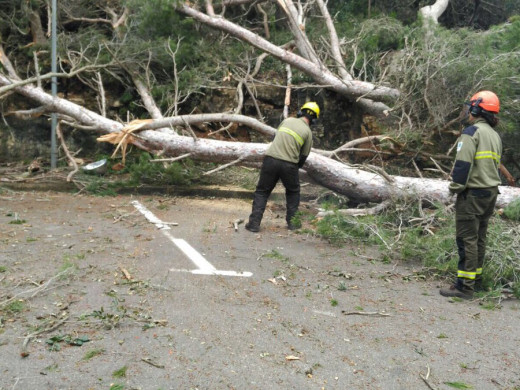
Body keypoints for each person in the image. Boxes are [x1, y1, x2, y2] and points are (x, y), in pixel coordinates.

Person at [440, 90, 503, 299]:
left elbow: (463, 165)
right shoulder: (494, 135)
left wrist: (454, 188)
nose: (468, 110)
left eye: (471, 106)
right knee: (479, 239)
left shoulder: (471, 132)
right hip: (490, 193)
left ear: (477, 109)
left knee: (466, 239)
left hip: (473, 194)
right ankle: (474, 281)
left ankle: (464, 288)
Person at [245, 102, 319, 232]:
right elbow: (303, 156)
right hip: (289, 165)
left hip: (270, 160)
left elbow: (275, 138)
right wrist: (295, 168)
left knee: (262, 192)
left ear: (300, 112)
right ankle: (293, 223)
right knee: (293, 192)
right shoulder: (308, 132)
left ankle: (253, 224)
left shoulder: (287, 121)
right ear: (314, 120)